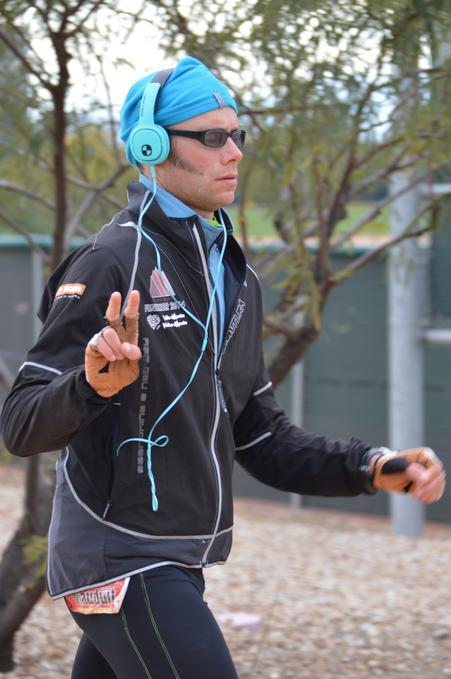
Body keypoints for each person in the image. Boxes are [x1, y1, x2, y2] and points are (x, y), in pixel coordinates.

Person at [0, 56, 445, 679]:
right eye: (212, 137)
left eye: (237, 135)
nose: (234, 152)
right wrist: (90, 386)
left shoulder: (237, 276)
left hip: (179, 557)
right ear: (152, 146)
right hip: (120, 556)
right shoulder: (110, 262)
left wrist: (370, 465)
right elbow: (20, 425)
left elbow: (260, 437)